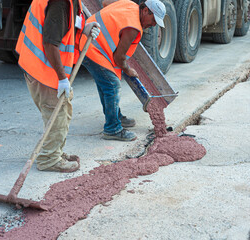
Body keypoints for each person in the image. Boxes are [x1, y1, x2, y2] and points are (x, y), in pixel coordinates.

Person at [15, 0, 100, 172]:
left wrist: (83, 29)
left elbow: (65, 25)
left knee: (63, 110)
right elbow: (50, 43)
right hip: (44, 70)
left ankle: (55, 151)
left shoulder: (70, 2)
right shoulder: (60, 2)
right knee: (57, 114)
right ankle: (49, 159)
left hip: (41, 67)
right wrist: (62, 78)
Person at [82, 0, 166, 141]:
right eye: (153, 20)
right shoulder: (133, 26)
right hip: (92, 48)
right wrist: (128, 70)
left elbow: (105, 3)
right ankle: (112, 128)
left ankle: (115, 116)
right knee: (112, 85)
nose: (153, 25)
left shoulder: (130, 5)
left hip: (88, 39)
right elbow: (119, 58)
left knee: (106, 84)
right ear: (146, 11)